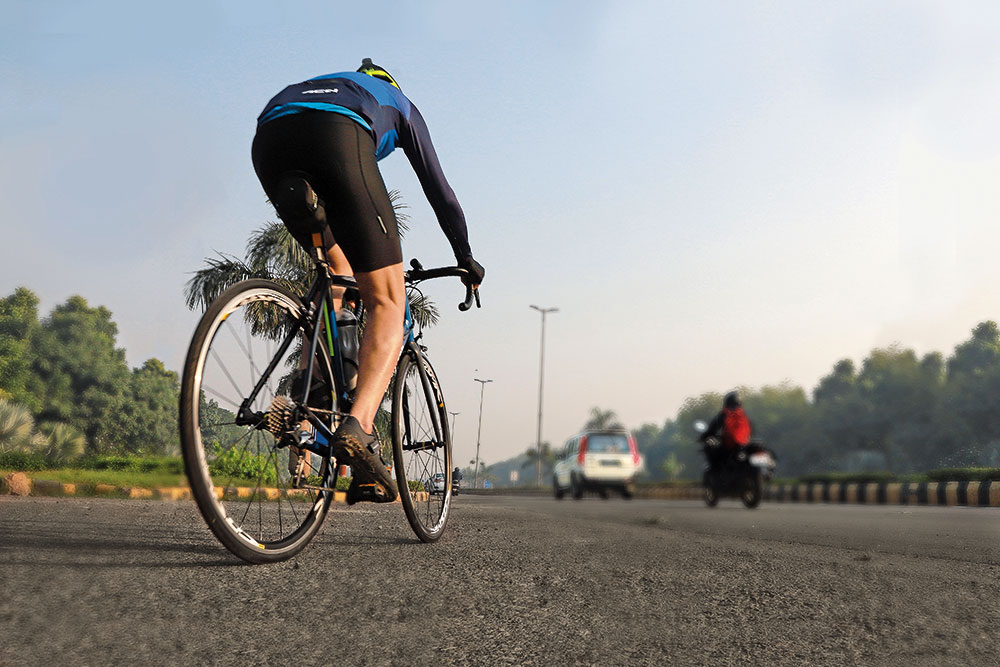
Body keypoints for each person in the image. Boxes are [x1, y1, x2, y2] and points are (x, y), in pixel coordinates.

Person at [252, 59, 485, 504]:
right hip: (336, 133)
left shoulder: (331, 83)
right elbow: (439, 191)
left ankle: (309, 395)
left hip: (270, 136)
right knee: (388, 301)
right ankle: (357, 428)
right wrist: (465, 258)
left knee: (336, 272)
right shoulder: (399, 102)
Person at [699, 391, 752, 471]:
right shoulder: (743, 415)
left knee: (711, 448)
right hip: (744, 444)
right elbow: (748, 430)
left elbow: (713, 428)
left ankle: (714, 469)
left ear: (727, 402)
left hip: (729, 443)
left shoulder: (725, 414)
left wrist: (705, 435)